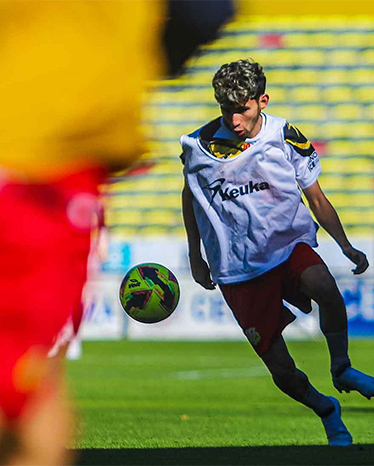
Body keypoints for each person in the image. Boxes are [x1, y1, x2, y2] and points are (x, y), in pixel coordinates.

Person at [0, 2, 232, 464]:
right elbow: (206, 13)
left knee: (29, 381)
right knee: (31, 382)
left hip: (44, 156)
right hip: (47, 156)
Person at [180, 59, 374, 446]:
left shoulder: (284, 135)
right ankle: (326, 409)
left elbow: (316, 197)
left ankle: (341, 367)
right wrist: (196, 255)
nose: (234, 120)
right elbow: (190, 197)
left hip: (287, 244)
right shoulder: (198, 145)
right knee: (281, 369)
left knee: (324, 286)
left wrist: (344, 245)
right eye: (226, 109)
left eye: (242, 109)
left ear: (262, 101)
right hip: (238, 266)